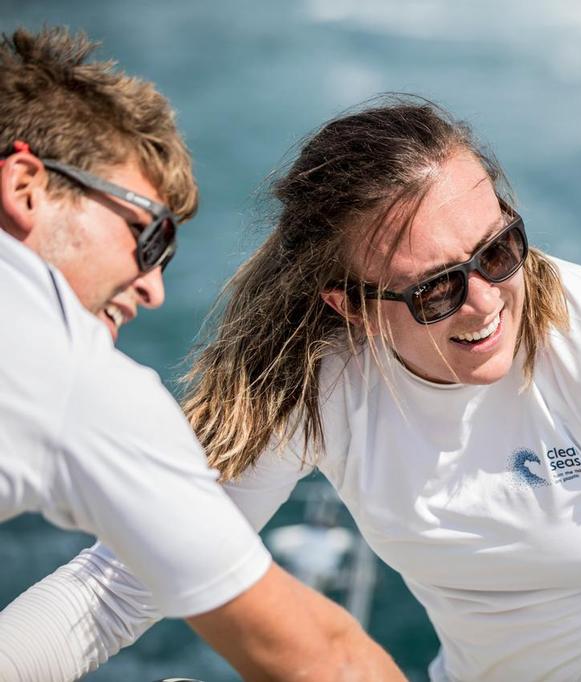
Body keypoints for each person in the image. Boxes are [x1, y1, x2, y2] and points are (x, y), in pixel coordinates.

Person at [2, 96, 581, 681]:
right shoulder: (318, 379)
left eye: (498, 250)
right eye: (436, 289)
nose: (487, 300)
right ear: (351, 307)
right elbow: (122, 584)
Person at [0, 27, 404, 681]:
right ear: (26, 188)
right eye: (150, 235)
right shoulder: (73, 374)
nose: (154, 288)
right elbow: (321, 659)